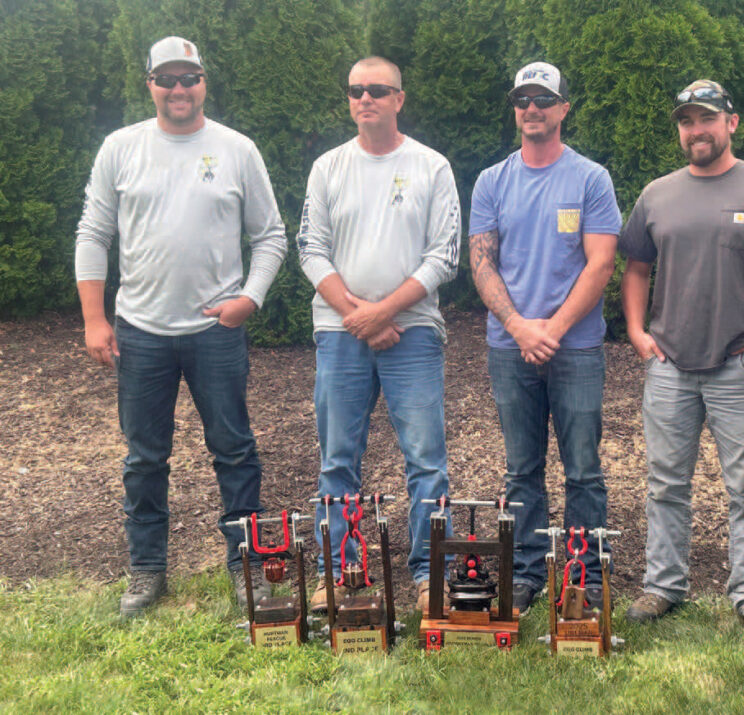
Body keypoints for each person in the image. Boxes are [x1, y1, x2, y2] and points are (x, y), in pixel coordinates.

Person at [75, 36, 287, 617]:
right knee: (144, 459)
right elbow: (93, 233)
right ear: (149, 84)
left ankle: (246, 565)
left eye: (188, 78)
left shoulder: (237, 149)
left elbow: (270, 235)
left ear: (203, 83)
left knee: (234, 450)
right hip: (140, 331)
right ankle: (147, 569)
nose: (178, 89)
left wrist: (250, 298)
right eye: (166, 78)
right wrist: (94, 318)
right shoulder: (121, 148)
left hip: (216, 331)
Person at [619, 80, 744, 636]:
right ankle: (663, 585)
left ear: (731, 123)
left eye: (707, 119)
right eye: (687, 121)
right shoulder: (657, 194)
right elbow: (636, 267)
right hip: (670, 367)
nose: (697, 130)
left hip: (740, 366)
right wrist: (636, 331)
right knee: (665, 484)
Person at [297, 56, 460, 612]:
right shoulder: (328, 167)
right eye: (356, 90)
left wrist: (384, 312)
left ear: (399, 99)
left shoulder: (431, 166)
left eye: (377, 90)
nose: (365, 98)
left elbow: (445, 256)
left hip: (413, 332)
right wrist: (359, 315)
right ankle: (337, 572)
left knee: (426, 460)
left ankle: (429, 575)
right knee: (337, 458)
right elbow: (310, 249)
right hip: (340, 331)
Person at [468, 62, 622, 614]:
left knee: (583, 469)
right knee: (521, 470)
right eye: (522, 100)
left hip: (574, 349)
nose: (531, 108)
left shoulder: (590, 179)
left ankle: (585, 576)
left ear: (563, 108)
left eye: (542, 99)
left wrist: (551, 331)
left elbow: (601, 264)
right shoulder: (492, 181)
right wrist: (518, 327)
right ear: (515, 109)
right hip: (510, 347)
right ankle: (528, 572)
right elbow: (482, 263)